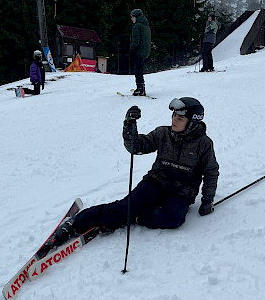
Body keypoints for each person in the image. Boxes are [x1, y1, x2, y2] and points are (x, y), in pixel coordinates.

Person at [51, 97, 219, 247]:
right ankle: (74, 223)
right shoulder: (163, 133)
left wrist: (207, 201)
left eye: (180, 118)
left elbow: (211, 172)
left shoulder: (203, 144)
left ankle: (135, 217)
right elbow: (136, 147)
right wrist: (129, 125)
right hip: (155, 182)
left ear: (192, 123)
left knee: (174, 218)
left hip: (180, 192)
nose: (174, 120)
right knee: (125, 207)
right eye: (174, 115)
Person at [130, 8, 151, 96]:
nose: (132, 19)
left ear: (136, 17)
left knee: (138, 70)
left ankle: (140, 89)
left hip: (138, 51)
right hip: (145, 51)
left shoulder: (137, 26)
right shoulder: (146, 25)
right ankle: (141, 88)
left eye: (132, 17)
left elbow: (136, 40)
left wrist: (131, 48)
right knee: (140, 69)